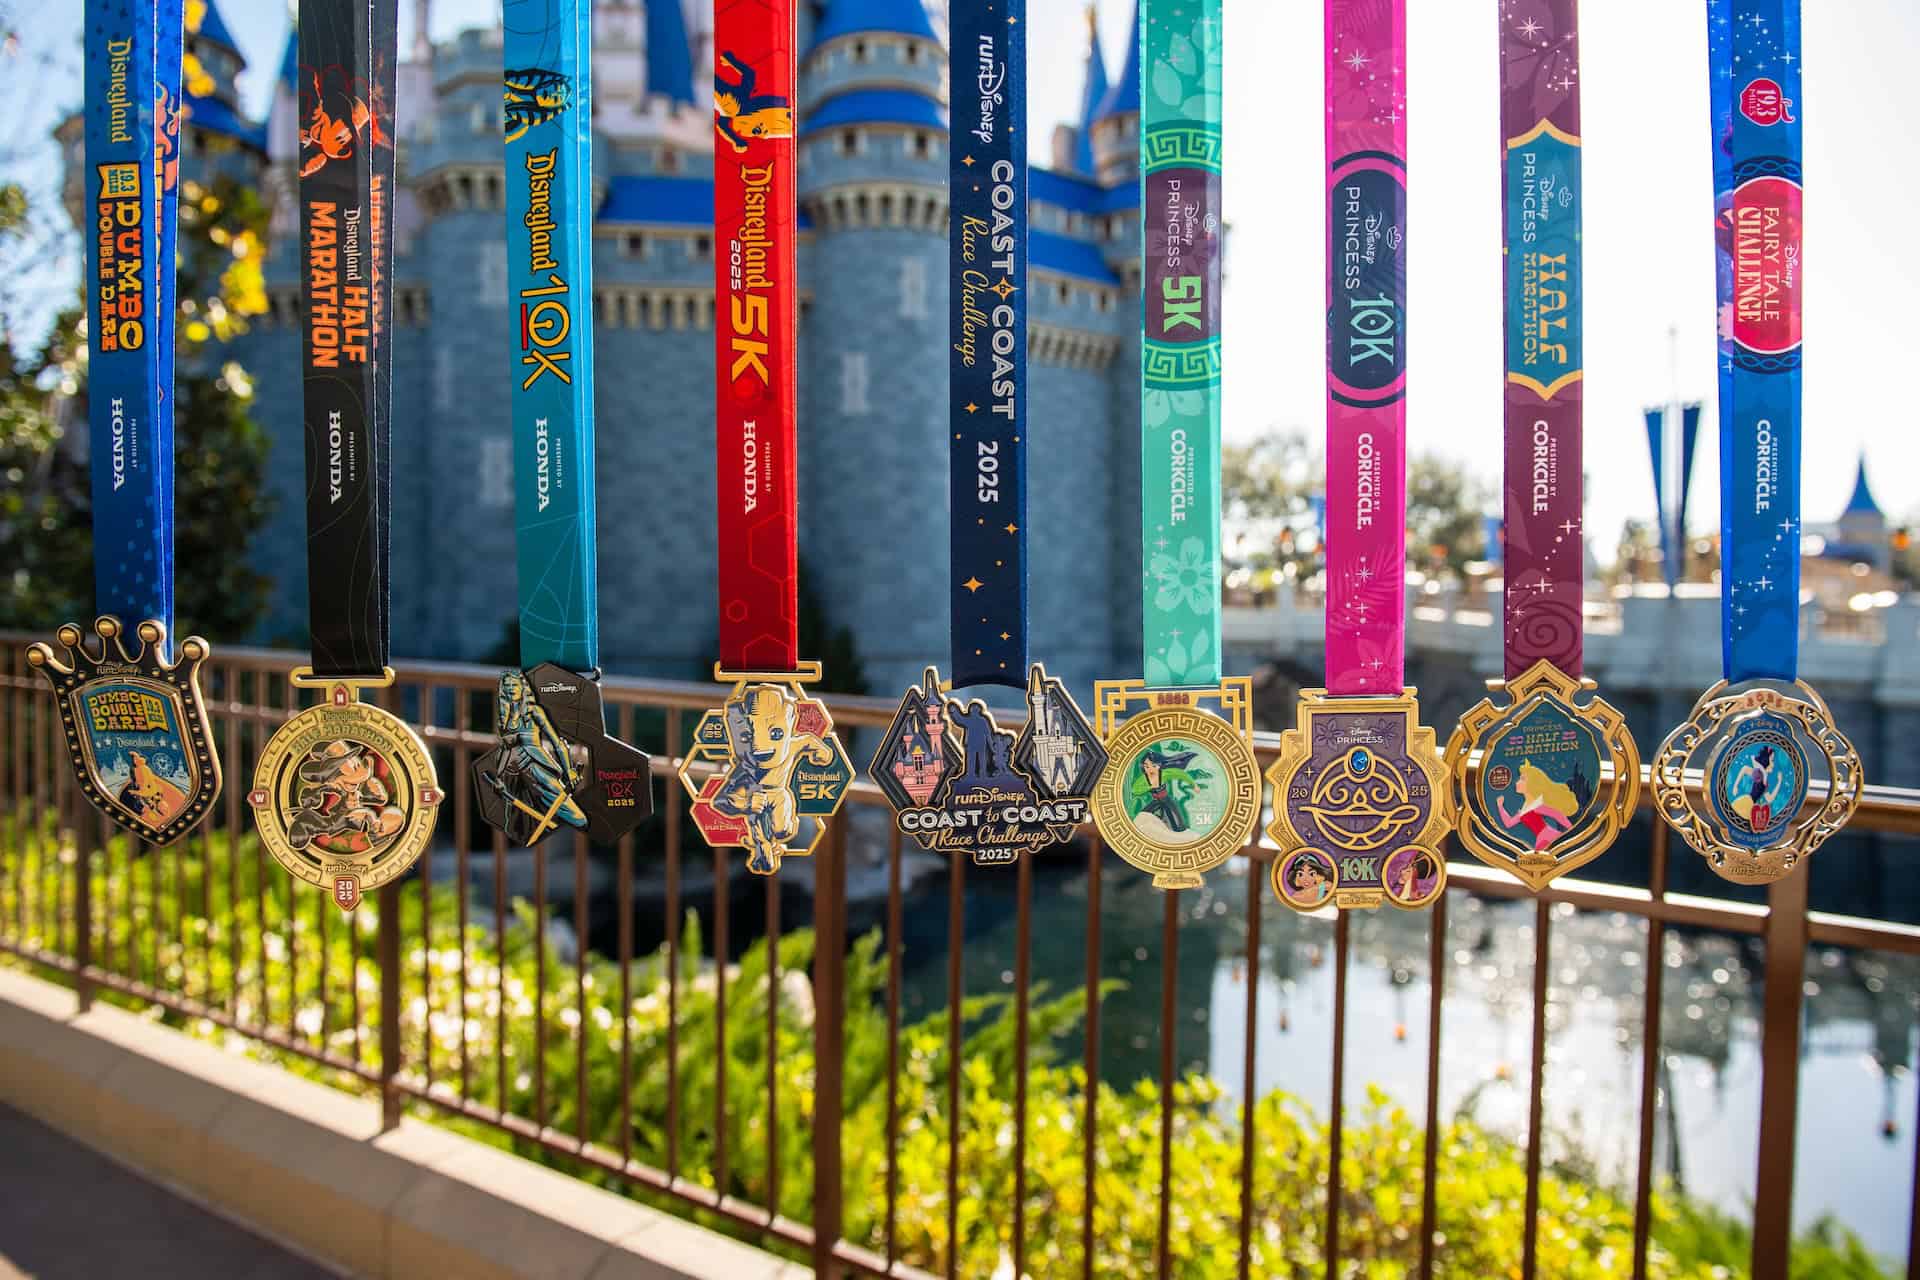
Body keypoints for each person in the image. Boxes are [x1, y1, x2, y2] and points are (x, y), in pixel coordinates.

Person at [1495, 760, 1577, 852]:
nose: (1517, 782)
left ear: (1531, 784)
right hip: (1542, 837)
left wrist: (1572, 830)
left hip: (1547, 837)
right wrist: (1500, 806)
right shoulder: (1526, 808)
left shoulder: (1537, 806)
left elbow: (1557, 814)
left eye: (1522, 779)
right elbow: (1508, 823)